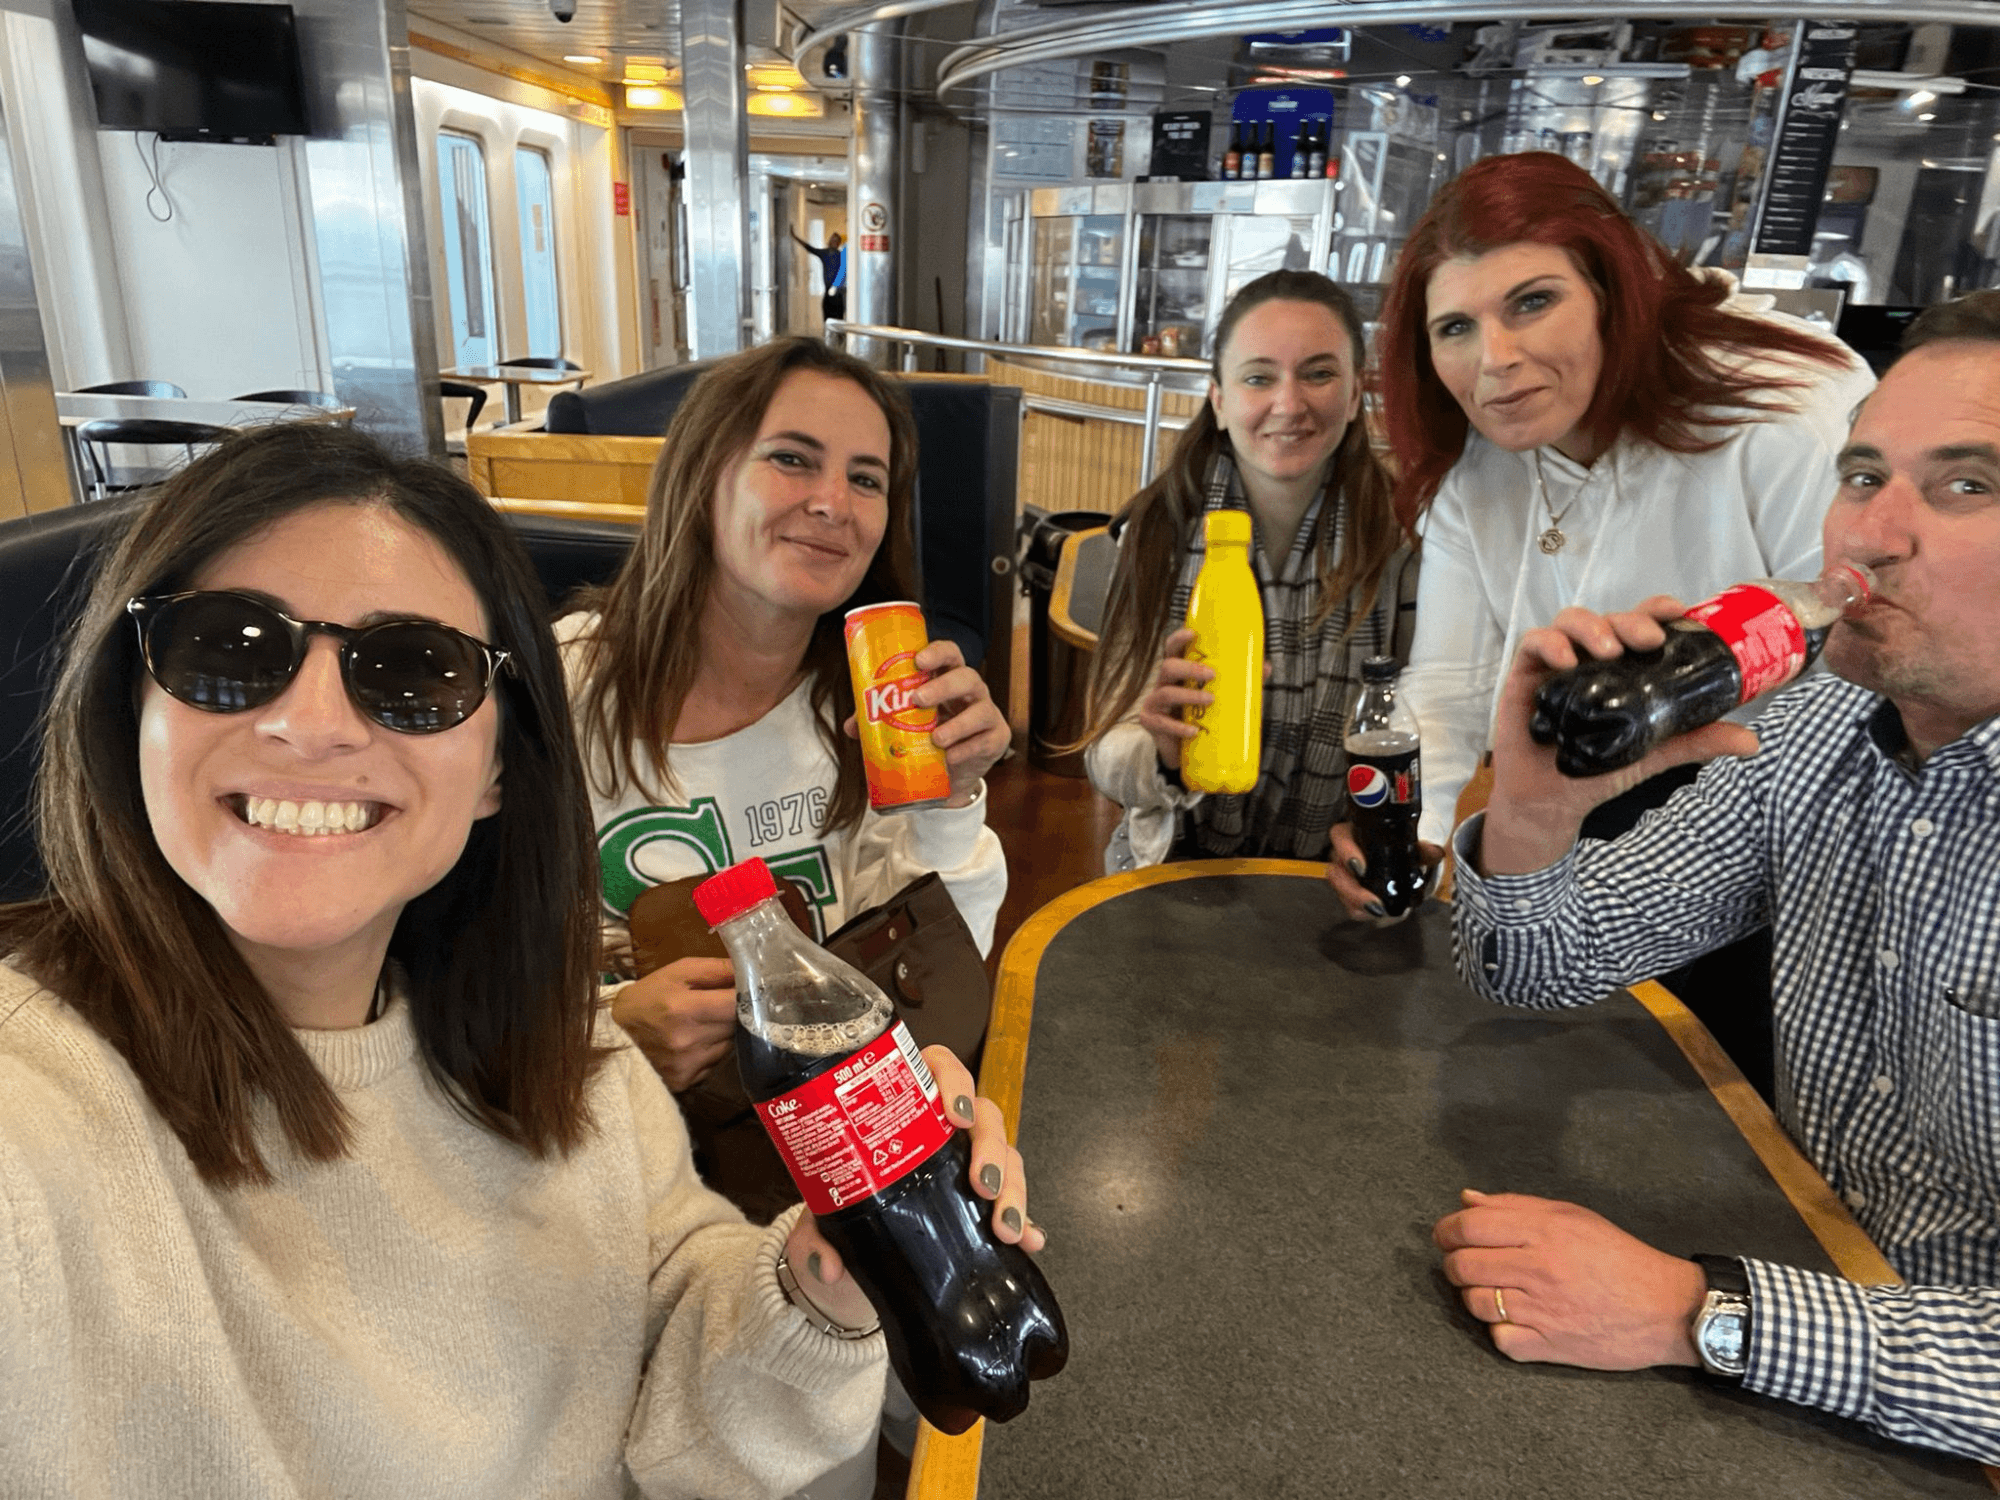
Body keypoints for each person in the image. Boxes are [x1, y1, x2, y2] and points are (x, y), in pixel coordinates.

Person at [0, 421, 1040, 1496]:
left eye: (411, 670)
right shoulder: (34, 1123)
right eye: (226, 649)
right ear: (130, 704)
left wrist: (835, 1261)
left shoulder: (563, 1051)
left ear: (499, 767)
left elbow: (674, 1348)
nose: (313, 724)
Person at [1433, 290, 2000, 1464]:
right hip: (1796, 1361)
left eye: (1963, 486)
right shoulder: (1818, 725)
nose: (1867, 537)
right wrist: (1534, 812)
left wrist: (1697, 1312)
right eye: (1858, 477)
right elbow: (1544, 966)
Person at [1330, 152, 1874, 916]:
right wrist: (1413, 831)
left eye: (1532, 302)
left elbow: (1853, 681)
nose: (1495, 360)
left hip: (1784, 821)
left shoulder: (1785, 417)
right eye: (1456, 326)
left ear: (1612, 292)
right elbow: (1452, 681)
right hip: (1579, 799)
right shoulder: (1478, 465)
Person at [561, 336, 1007, 1096]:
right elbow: (461, 974)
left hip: (815, 1130)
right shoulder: (562, 683)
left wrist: (952, 798)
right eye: (792, 459)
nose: (834, 502)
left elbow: (931, 970)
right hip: (606, 1133)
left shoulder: (871, 705)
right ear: (705, 476)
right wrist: (605, 1033)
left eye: (867, 479)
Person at [1079, 269, 1416, 874]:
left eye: (1319, 373)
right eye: (1259, 377)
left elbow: (1419, 728)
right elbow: (1104, 755)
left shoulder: (1401, 541)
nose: (1289, 404)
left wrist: (1376, 830)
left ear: (1356, 393)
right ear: (1219, 399)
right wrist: (1157, 754)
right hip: (1173, 868)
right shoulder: (1154, 531)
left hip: (1329, 877)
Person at [791, 229, 847, 323]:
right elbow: (810, 248)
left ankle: (838, 336)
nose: (834, 242)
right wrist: (795, 237)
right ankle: (828, 335)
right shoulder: (825, 253)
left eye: (836, 240)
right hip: (828, 292)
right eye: (833, 240)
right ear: (830, 241)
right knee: (828, 318)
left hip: (839, 293)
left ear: (839, 243)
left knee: (838, 319)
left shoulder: (841, 255)